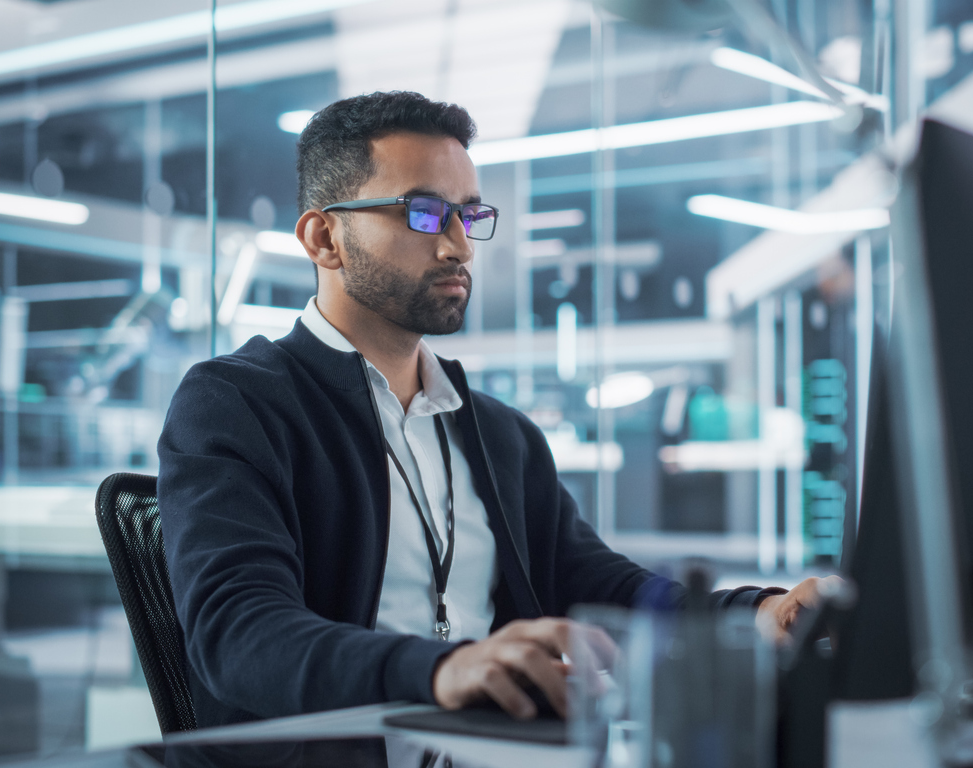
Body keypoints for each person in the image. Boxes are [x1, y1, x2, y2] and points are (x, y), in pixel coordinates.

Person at [158, 91, 833, 728]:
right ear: (324, 239)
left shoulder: (500, 435)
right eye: (424, 213)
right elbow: (239, 633)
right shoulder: (237, 405)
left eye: (469, 215)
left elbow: (597, 587)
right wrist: (441, 670)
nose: (457, 245)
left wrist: (752, 613)